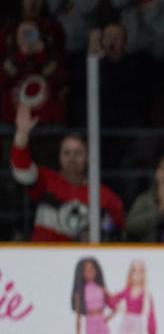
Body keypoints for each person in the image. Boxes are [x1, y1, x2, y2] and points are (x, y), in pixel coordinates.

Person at [10, 103, 124, 242]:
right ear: (59, 156)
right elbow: (22, 171)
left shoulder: (102, 195)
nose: (72, 158)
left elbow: (119, 225)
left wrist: (100, 232)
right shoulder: (46, 180)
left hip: (79, 260)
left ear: (88, 156)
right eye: (67, 153)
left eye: (78, 153)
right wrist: (22, 134)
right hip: (42, 257)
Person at [3, 21, 68, 127]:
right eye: (23, 33)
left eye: (31, 33)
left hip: (48, 123)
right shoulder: (7, 57)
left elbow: (61, 81)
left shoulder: (52, 56)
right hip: (13, 123)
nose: (27, 37)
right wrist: (21, 56)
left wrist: (41, 55)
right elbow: (3, 80)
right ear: (16, 37)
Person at [108, 259, 155, 334]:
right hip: (126, 323)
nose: (137, 274)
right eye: (134, 271)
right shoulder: (127, 291)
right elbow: (112, 299)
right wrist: (118, 308)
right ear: (131, 273)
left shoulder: (145, 294)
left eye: (140, 271)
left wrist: (151, 333)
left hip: (136, 324)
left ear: (144, 274)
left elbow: (151, 315)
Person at [69, 256, 115, 334]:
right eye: (86, 270)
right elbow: (78, 316)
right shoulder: (80, 292)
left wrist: (109, 317)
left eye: (92, 269)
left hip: (101, 322)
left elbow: (115, 304)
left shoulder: (101, 288)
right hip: (90, 323)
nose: (89, 273)